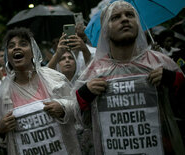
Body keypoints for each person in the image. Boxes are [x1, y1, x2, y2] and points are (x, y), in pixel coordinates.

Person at [74, 1, 185, 154]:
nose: (125, 19)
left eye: (130, 15)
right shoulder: (94, 71)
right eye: (116, 17)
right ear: (105, 30)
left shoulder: (161, 63)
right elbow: (74, 119)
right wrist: (84, 94)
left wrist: (173, 79)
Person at [0, 27, 81, 154]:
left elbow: (79, 111)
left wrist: (63, 108)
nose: (16, 48)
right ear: (8, 55)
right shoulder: (3, 91)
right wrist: (0, 129)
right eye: (11, 46)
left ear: (33, 51)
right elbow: (2, 139)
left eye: (23, 44)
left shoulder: (54, 79)